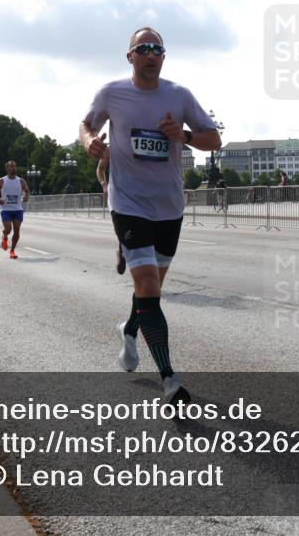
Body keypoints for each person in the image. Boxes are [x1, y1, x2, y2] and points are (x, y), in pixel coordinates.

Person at [80, 26, 220, 405]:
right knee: (146, 284)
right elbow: (86, 124)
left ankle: (129, 328)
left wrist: (185, 136)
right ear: (130, 56)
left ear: (163, 56)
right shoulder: (112, 93)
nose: (151, 53)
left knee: (151, 287)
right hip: (127, 202)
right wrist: (90, 141)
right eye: (143, 48)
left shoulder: (179, 95)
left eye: (157, 48)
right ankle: (170, 379)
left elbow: (214, 139)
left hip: (169, 206)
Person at [96, 150, 126, 274]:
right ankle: (123, 252)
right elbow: (100, 169)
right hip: (118, 199)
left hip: (145, 198)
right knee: (124, 233)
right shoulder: (112, 148)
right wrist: (104, 184)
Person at [0, 161, 30, 259]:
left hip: (18, 209)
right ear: (7, 168)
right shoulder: (1, 180)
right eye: (11, 166)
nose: (13, 168)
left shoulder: (21, 181)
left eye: (15, 166)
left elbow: (27, 191)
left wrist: (26, 196)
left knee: (17, 230)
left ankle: (12, 251)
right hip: (5, 210)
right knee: (8, 229)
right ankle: (4, 236)